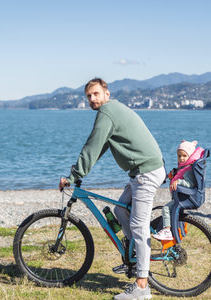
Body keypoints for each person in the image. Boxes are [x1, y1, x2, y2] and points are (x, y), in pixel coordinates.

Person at [59, 78, 165, 300]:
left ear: (106, 93)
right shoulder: (113, 110)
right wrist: (80, 172)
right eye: (88, 96)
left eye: (96, 94)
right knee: (119, 211)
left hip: (146, 173)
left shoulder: (107, 112)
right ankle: (134, 256)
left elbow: (92, 146)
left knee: (138, 225)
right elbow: (100, 148)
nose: (92, 99)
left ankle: (142, 288)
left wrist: (73, 176)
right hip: (142, 171)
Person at [152, 140, 204, 241]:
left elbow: (190, 183)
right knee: (173, 212)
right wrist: (173, 176)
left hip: (184, 197)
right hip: (180, 196)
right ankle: (178, 229)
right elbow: (180, 174)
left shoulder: (188, 169)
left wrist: (178, 182)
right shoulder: (183, 167)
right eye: (179, 156)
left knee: (166, 209)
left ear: (190, 156)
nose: (181, 158)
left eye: (184, 156)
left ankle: (167, 231)